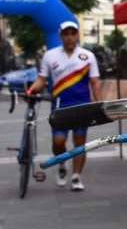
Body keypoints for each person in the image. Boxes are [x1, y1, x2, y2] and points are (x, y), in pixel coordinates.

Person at [27, 21, 101, 192]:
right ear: (61, 36)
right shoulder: (50, 56)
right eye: (66, 34)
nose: (69, 37)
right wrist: (32, 89)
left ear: (77, 35)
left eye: (72, 33)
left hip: (82, 105)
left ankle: (76, 177)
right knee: (58, 142)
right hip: (60, 106)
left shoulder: (88, 56)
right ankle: (62, 163)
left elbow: (95, 82)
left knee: (80, 143)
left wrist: (100, 105)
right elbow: (42, 79)